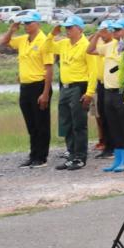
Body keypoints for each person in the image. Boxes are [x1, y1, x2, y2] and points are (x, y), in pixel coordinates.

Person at [2, 10, 55, 168]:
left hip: (39, 85)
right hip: (25, 86)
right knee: (31, 124)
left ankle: (42, 157)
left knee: (41, 123)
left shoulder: (44, 41)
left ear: (37, 24)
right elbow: (5, 42)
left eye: (29, 23)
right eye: (24, 23)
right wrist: (12, 29)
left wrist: (45, 93)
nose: (26, 26)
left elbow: (49, 69)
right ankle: (33, 155)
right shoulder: (23, 40)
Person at [49, 14, 97, 171]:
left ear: (80, 29)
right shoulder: (63, 44)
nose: (67, 30)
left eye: (70, 27)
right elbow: (46, 48)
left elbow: (93, 71)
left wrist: (89, 93)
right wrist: (53, 34)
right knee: (67, 124)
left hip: (79, 87)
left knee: (79, 124)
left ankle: (80, 157)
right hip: (65, 87)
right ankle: (71, 154)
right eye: (66, 28)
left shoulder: (86, 46)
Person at [89, 21, 124, 173]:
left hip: (122, 91)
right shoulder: (110, 46)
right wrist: (98, 33)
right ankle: (117, 159)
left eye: (118, 29)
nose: (114, 32)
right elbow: (90, 50)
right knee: (113, 126)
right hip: (108, 91)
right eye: (113, 29)